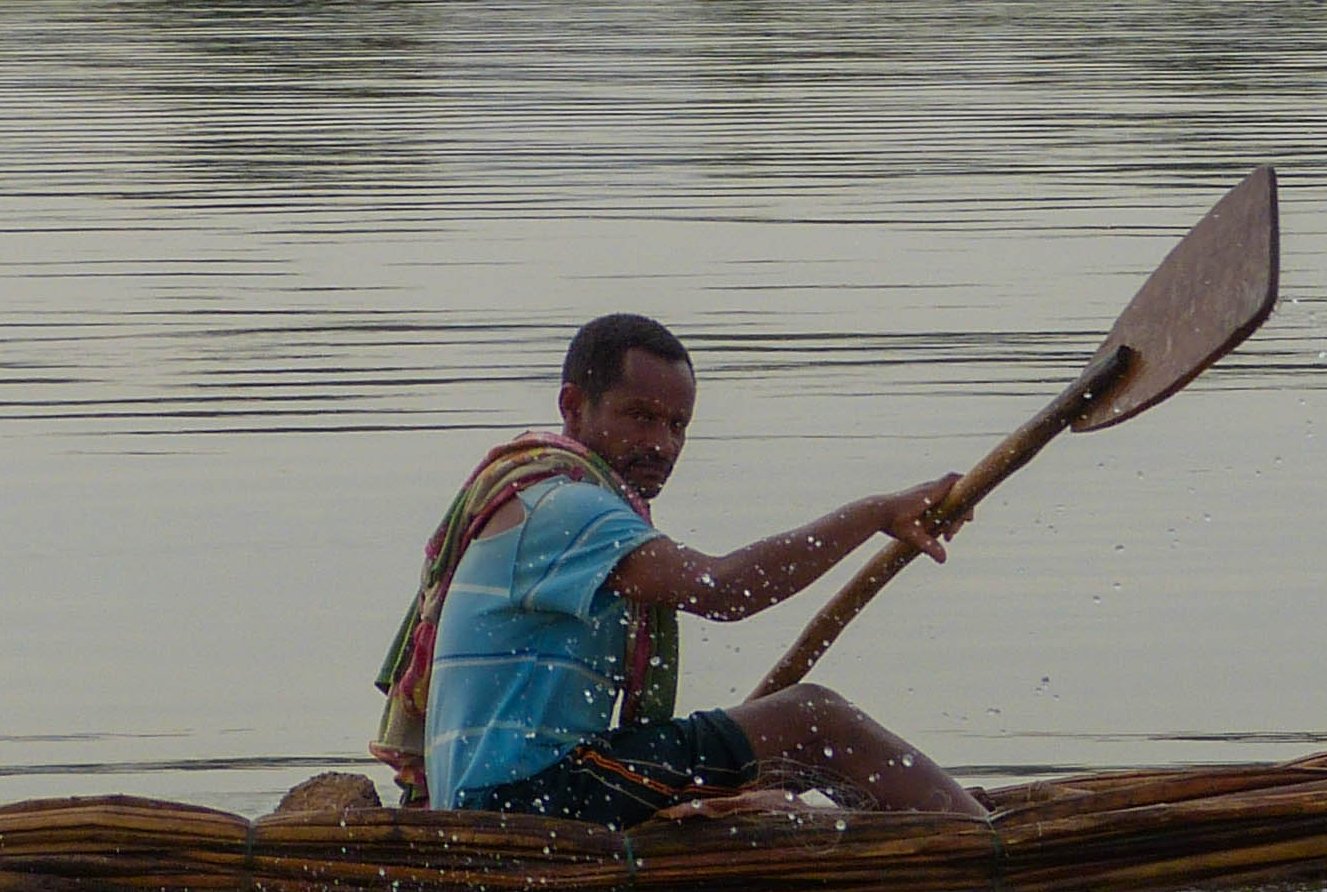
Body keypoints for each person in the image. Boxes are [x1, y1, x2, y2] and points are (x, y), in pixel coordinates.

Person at [383, 312, 984, 823]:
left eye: (677, 426)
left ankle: (921, 825)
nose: (663, 444)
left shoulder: (544, 495)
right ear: (573, 406)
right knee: (811, 718)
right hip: (518, 802)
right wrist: (875, 514)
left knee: (771, 763)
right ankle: (981, 841)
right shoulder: (562, 506)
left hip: (521, 789)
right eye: (640, 417)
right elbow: (724, 590)